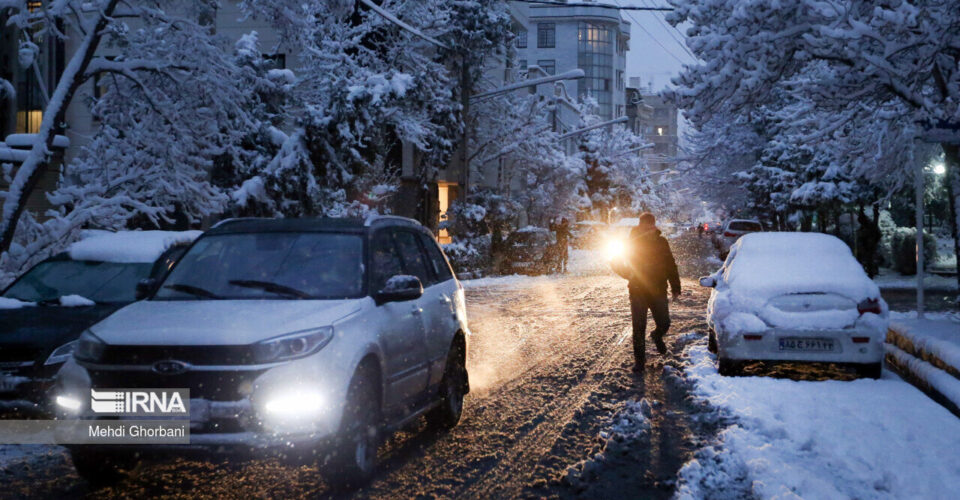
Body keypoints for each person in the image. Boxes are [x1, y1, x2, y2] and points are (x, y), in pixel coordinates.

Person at [611, 213, 681, 371]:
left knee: (664, 323)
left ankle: (657, 336)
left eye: (651, 225)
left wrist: (675, 286)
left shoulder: (662, 242)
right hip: (638, 290)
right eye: (646, 225)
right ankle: (640, 362)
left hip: (658, 290)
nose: (649, 228)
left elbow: (670, 264)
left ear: (654, 225)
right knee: (638, 327)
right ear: (640, 225)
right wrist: (628, 274)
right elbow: (615, 261)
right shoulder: (631, 241)